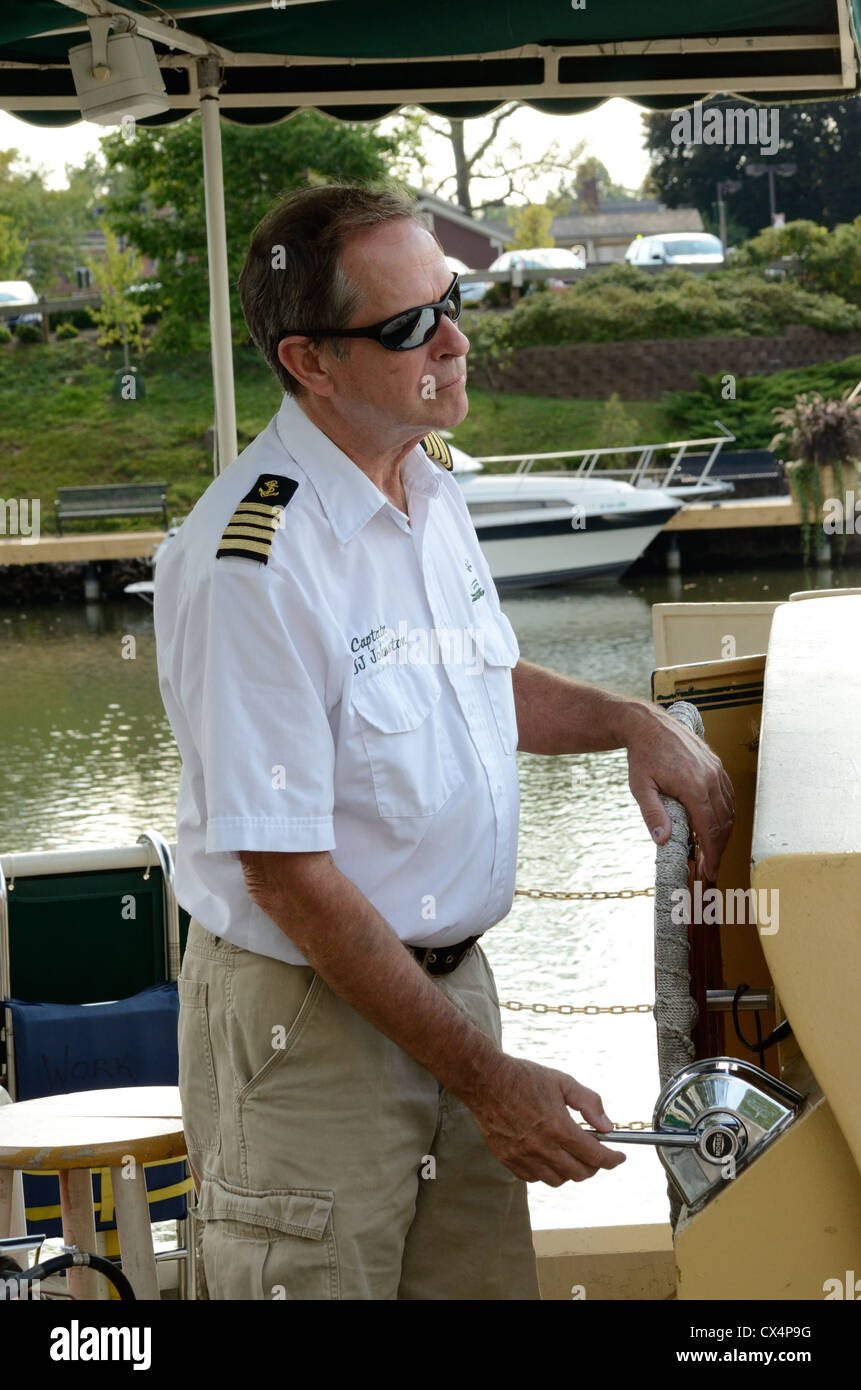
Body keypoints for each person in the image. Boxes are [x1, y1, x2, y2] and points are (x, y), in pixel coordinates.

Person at [154, 184, 734, 1301]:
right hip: (308, 1025)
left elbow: (480, 680)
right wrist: (492, 1082)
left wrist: (626, 718)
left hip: (455, 991)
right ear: (311, 363)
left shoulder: (428, 489)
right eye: (411, 326)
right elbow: (288, 875)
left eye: (453, 302)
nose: (456, 341)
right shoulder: (251, 563)